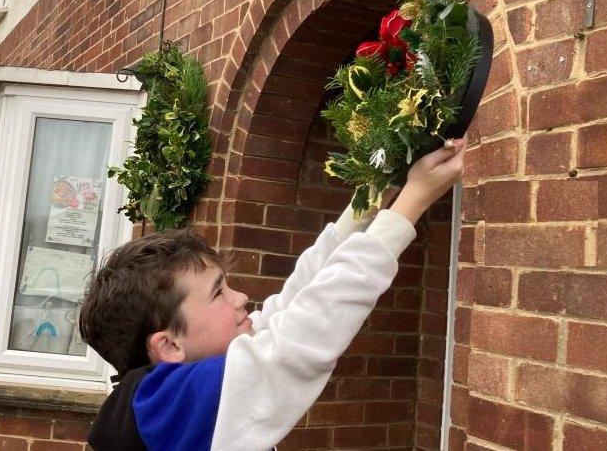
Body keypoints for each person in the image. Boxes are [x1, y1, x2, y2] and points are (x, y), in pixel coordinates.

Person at [79, 138, 466, 450]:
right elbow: (299, 337)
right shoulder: (169, 408)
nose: (241, 298)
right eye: (218, 294)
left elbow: (292, 305)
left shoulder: (178, 394)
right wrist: (411, 201)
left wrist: (366, 200)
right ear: (169, 346)